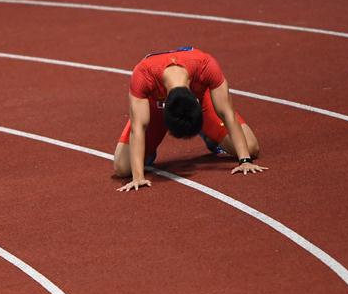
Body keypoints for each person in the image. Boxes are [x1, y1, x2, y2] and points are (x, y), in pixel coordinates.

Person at [113, 46, 266, 192]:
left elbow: (227, 112)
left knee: (250, 148)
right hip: (153, 106)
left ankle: (209, 135)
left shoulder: (205, 65)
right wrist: (138, 177)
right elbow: (138, 127)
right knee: (122, 168)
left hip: (202, 99)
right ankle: (149, 152)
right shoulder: (143, 74)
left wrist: (245, 160)